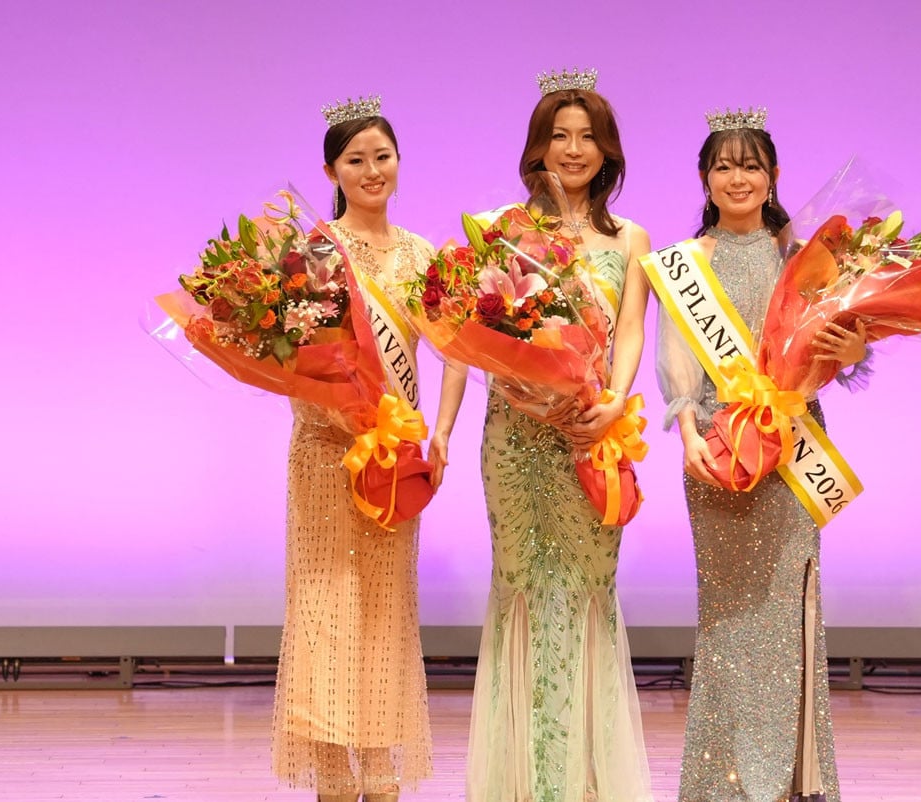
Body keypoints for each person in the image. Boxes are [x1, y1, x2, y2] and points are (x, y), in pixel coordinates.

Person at [649, 108, 866, 802]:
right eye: (723, 166)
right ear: (704, 179)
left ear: (773, 175)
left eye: (750, 165)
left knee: (786, 605)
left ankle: (793, 780)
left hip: (791, 451)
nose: (737, 178)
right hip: (720, 453)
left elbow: (840, 351)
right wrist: (690, 439)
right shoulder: (687, 264)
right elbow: (678, 366)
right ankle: (724, 781)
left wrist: (855, 348)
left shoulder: (800, 256)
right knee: (727, 611)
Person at [465, 69, 655, 802]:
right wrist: (518, 387)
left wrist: (613, 402)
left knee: (586, 591)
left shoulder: (631, 238)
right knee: (518, 588)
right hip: (516, 436)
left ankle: (585, 783)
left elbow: (631, 329)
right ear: (538, 147)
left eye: (587, 137)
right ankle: (520, 783)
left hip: (588, 434)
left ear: (607, 151)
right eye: (559, 135)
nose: (573, 150)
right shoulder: (502, 230)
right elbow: (477, 332)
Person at [272, 96, 467, 802]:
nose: (372, 170)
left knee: (385, 610)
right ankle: (331, 774)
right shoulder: (310, 254)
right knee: (325, 607)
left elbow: (457, 349)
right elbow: (289, 360)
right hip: (326, 454)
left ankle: (381, 772)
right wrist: (341, 416)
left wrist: (440, 430)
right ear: (332, 171)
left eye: (382, 156)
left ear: (399, 162)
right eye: (355, 160)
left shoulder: (421, 255)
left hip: (394, 458)